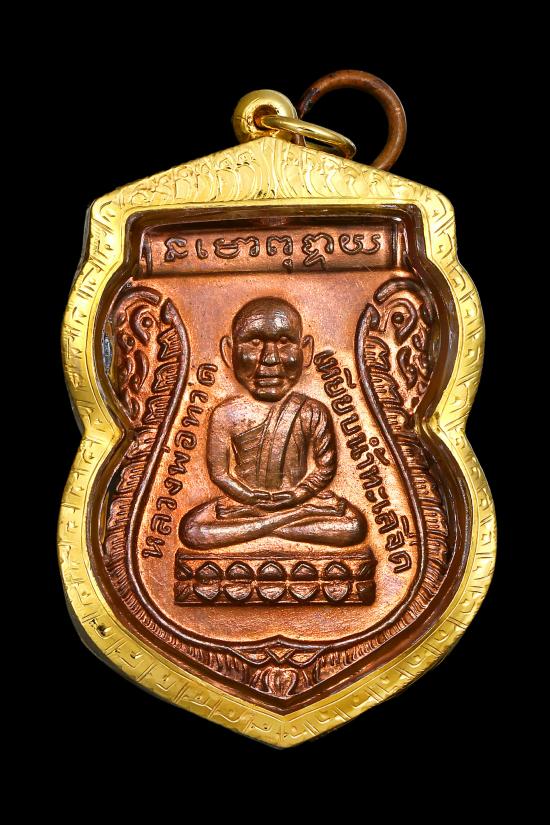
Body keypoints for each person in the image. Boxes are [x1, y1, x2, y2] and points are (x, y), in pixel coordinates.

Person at [179, 297, 367, 550]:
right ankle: (285, 522)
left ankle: (265, 526)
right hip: (244, 504)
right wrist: (249, 497)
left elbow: (325, 469)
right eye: (255, 342)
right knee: (193, 530)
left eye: (284, 342)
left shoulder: (312, 411)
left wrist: (297, 496)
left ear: (306, 350)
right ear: (228, 352)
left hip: (299, 500)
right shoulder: (225, 414)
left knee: (353, 526)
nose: (269, 358)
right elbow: (220, 474)